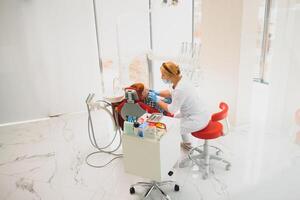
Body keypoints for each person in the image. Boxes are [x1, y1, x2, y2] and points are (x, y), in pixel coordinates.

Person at [148, 61, 210, 150]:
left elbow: (172, 109)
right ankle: (187, 143)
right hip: (200, 111)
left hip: (198, 119)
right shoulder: (181, 78)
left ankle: (168, 152)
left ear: (170, 75)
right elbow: (170, 93)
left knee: (172, 129)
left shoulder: (180, 89)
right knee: (176, 118)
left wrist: (157, 100)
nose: (161, 77)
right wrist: (157, 93)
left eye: (163, 75)